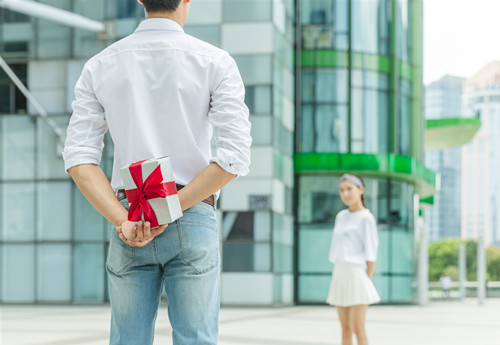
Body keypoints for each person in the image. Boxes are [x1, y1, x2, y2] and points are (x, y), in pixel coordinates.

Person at [62, 0, 252, 344]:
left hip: (129, 220)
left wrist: (124, 220)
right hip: (192, 212)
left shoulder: (101, 64)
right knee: (196, 339)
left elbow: (78, 158)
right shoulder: (214, 61)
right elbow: (234, 157)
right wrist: (170, 208)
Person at [326, 174, 380, 345]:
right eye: (342, 190)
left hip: (356, 275)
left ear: (361, 190)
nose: (345, 193)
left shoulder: (366, 218)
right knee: (345, 329)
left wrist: (367, 281)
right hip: (339, 273)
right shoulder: (341, 216)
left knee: (358, 328)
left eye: (349, 188)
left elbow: (371, 254)